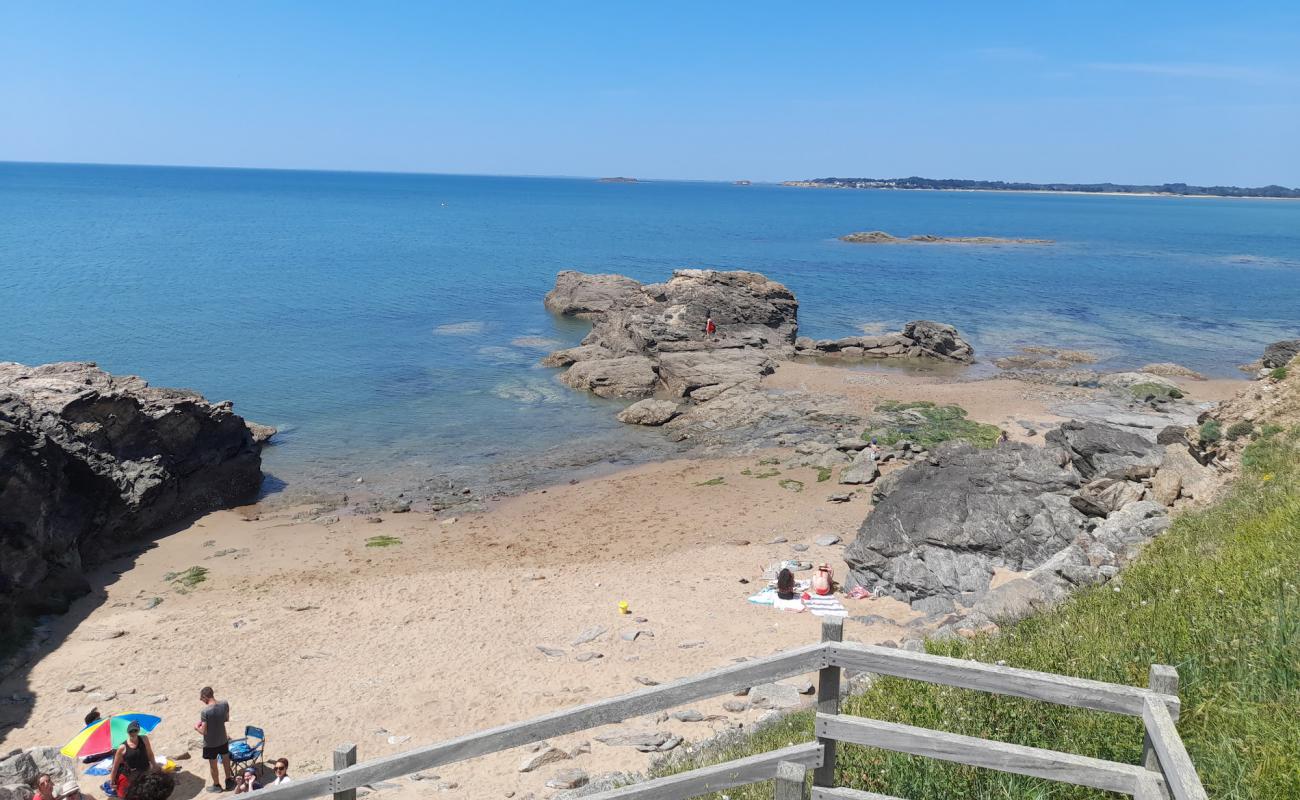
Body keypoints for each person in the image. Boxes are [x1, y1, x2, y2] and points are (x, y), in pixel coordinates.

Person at [197, 686, 234, 793]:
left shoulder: (205, 712)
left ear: (205, 697)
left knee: (213, 765)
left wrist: (196, 728)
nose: (201, 700)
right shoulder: (224, 704)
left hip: (210, 743)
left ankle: (217, 785)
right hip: (222, 739)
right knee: (226, 761)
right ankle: (229, 781)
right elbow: (226, 719)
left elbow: (204, 732)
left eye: (201, 698)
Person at [110, 721, 157, 798]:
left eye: (135, 730)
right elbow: (115, 766)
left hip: (146, 770)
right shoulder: (122, 748)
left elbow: (150, 754)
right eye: (131, 731)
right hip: (133, 776)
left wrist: (155, 764)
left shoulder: (144, 739)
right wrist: (112, 781)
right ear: (127, 732)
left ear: (138, 731)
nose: (133, 733)